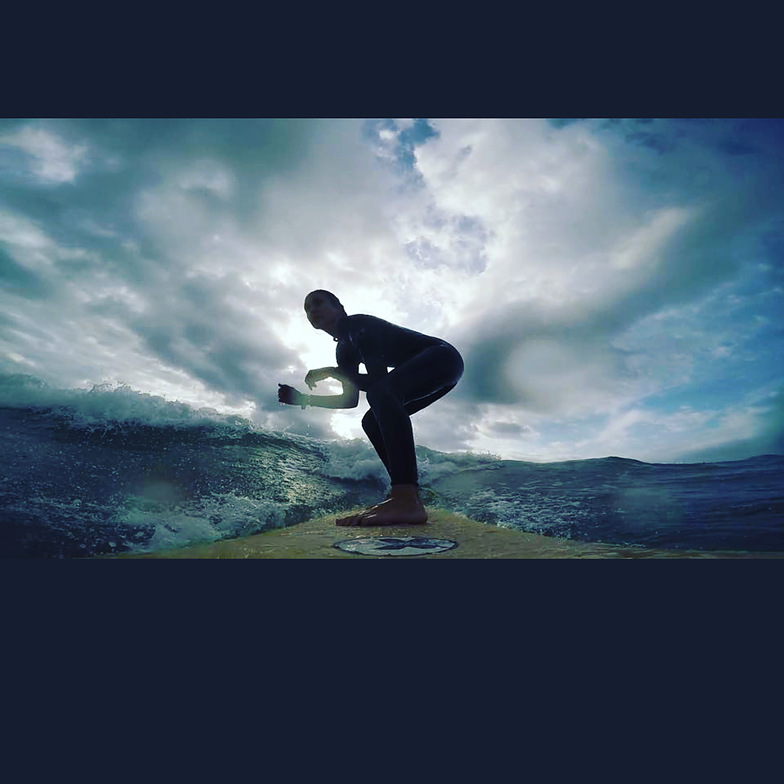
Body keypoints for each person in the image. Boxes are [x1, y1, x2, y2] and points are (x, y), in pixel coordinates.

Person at [278, 290, 464, 526]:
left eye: (318, 303)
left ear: (339, 308)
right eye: (306, 308)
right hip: (438, 374)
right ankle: (408, 495)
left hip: (442, 358)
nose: (311, 310)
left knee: (381, 394)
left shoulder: (358, 326)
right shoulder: (343, 350)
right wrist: (303, 399)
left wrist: (334, 372)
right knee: (371, 421)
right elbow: (349, 400)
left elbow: (378, 384)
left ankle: (405, 497)